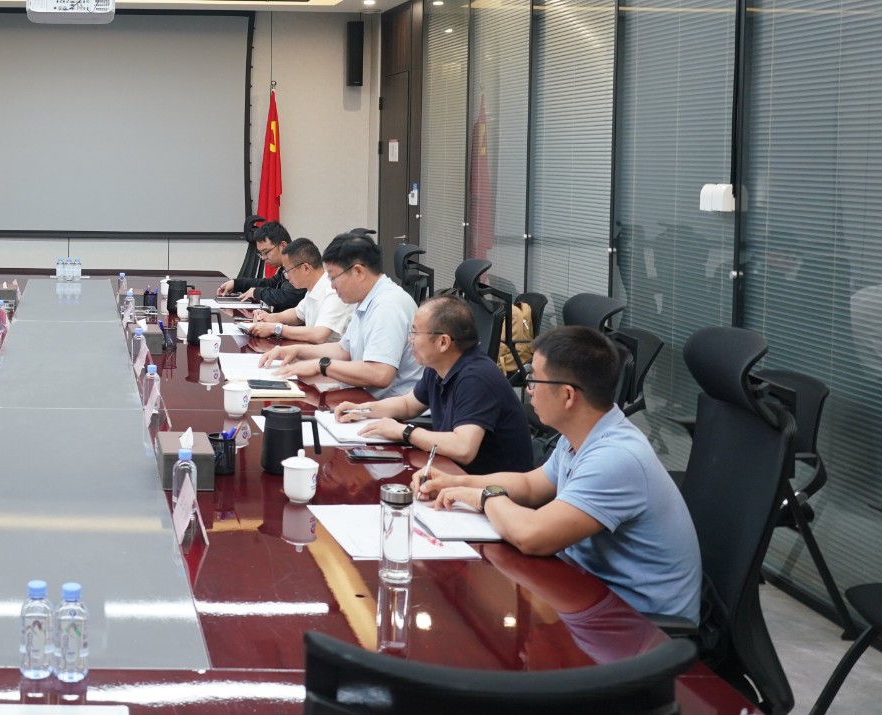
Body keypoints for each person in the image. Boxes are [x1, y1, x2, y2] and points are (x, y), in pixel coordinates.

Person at [422, 325, 702, 621]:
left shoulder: (615, 458)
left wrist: (485, 496)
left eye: (534, 379)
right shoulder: (582, 434)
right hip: (589, 590)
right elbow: (531, 485)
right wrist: (456, 482)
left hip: (637, 622)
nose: (529, 390)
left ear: (568, 395)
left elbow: (531, 535)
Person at [333, 295, 533, 474]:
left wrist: (404, 431)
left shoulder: (477, 378)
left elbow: (464, 448)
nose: (410, 340)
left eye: (415, 332)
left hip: (495, 491)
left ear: (443, 342)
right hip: (455, 476)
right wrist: (363, 410)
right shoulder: (438, 366)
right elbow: (408, 405)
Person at [260, 233, 420, 398]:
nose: (332, 286)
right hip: (364, 397)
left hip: (389, 407)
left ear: (358, 272)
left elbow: (380, 374)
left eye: (333, 277)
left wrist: (321, 365)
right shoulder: (366, 299)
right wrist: (296, 350)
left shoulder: (387, 305)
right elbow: (344, 350)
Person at [244, 238, 352, 344]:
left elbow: (319, 335)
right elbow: (297, 314)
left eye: (288, 270)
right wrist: (271, 317)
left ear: (306, 268)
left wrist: (276, 328)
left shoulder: (333, 291)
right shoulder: (314, 287)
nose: (286, 276)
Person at [216, 220, 304, 311]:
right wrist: (237, 283)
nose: (263, 258)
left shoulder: (299, 265)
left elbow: (288, 296)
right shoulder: (286, 266)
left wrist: (257, 293)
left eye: (266, 252)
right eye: (261, 253)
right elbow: (271, 284)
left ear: (283, 246)